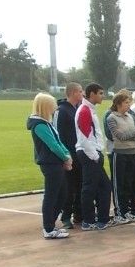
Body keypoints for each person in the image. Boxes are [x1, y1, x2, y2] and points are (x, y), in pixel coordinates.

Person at [28, 93, 72, 239]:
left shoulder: (46, 123)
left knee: (62, 193)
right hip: (50, 164)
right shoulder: (39, 125)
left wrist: (67, 155)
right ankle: (48, 227)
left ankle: (51, 225)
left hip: (56, 163)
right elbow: (53, 145)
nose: (55, 108)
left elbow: (58, 141)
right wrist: (66, 158)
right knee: (51, 196)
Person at [74, 83, 112, 231]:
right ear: (92, 94)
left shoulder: (89, 109)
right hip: (89, 153)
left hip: (91, 153)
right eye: (100, 93)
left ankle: (101, 219)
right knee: (90, 188)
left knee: (103, 186)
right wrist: (95, 155)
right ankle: (89, 221)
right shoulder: (84, 110)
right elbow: (84, 137)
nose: (103, 96)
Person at [106, 91, 135, 224]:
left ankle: (126, 211)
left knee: (128, 184)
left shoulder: (131, 116)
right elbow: (119, 136)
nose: (129, 105)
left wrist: (132, 134)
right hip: (120, 154)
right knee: (119, 184)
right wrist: (133, 133)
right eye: (126, 102)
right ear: (119, 103)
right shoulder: (111, 118)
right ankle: (119, 212)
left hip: (132, 153)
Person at [53, 82, 83, 230]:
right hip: (68, 154)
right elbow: (57, 134)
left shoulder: (78, 109)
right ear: (73, 93)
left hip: (79, 153)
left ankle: (79, 213)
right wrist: (64, 155)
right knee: (68, 187)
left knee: (80, 184)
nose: (82, 94)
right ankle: (66, 216)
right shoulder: (61, 110)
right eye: (80, 91)